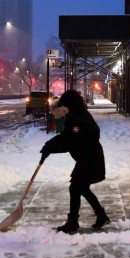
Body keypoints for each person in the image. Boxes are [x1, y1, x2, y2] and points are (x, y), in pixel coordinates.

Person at [40, 89, 110, 233]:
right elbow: (65, 136)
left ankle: (73, 222)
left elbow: (70, 142)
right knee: (80, 188)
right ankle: (100, 215)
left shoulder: (79, 120)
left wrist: (51, 149)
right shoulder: (76, 116)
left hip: (90, 159)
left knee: (76, 187)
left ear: (70, 105)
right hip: (87, 158)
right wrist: (48, 146)